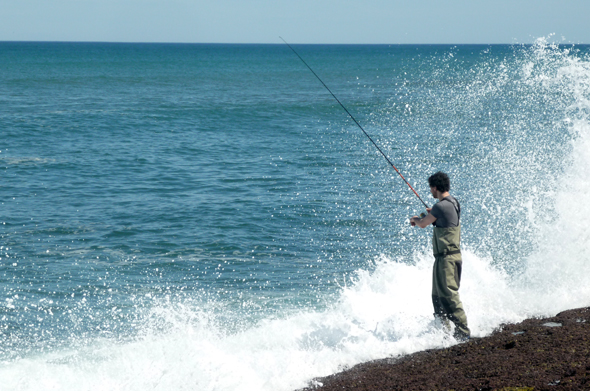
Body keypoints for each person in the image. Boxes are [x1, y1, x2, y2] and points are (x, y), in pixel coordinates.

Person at [409, 171, 470, 340]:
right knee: (437, 296)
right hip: (448, 257)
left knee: (449, 296)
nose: (430, 191)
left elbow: (422, 224)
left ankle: (463, 332)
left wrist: (415, 218)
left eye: (431, 188)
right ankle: (443, 333)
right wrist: (432, 214)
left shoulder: (440, 207)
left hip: (446, 259)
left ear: (435, 188)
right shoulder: (453, 203)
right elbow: (443, 219)